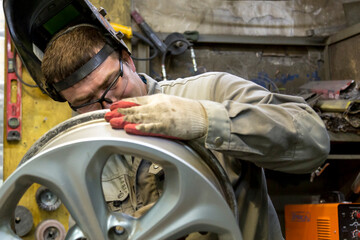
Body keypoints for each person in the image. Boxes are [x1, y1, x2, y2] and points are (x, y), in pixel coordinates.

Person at [5, 0, 330, 239]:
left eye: (110, 83)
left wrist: (205, 120)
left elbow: (314, 142)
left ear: (127, 59)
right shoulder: (86, 148)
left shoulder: (211, 90)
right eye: (86, 102)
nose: (108, 103)